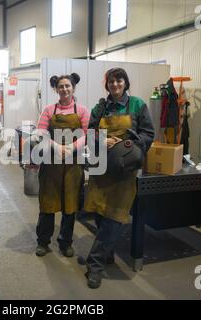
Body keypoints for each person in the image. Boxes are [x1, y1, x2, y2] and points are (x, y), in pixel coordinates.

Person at [83, 68, 155, 288]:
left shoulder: (137, 105)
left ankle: (94, 265)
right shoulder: (101, 107)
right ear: (107, 84)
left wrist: (128, 145)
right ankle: (107, 253)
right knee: (100, 213)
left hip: (124, 172)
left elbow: (148, 134)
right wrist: (100, 141)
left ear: (125, 82)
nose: (115, 84)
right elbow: (89, 132)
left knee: (114, 218)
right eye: (112, 81)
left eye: (119, 80)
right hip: (101, 170)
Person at [35, 73, 90, 257]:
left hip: (73, 165)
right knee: (47, 204)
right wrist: (57, 146)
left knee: (70, 205)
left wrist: (71, 148)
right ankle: (43, 241)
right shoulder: (49, 110)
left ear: (73, 88)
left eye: (68, 86)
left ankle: (65, 243)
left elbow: (87, 134)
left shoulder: (82, 110)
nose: (64, 89)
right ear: (56, 89)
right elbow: (41, 132)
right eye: (61, 86)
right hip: (51, 164)